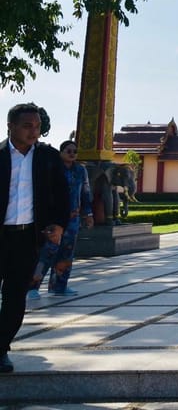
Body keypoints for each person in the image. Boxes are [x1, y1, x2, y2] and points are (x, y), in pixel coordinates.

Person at [1, 103, 70, 373]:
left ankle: (1, 348)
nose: (34, 132)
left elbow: (62, 195)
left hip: (27, 238)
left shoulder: (48, 158)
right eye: (27, 126)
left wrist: (59, 225)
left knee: (15, 296)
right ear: (11, 126)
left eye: (37, 126)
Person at [27, 140, 93, 300]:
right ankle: (32, 286)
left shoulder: (80, 170)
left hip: (73, 219)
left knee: (67, 253)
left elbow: (85, 192)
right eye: (68, 151)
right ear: (61, 152)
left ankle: (59, 286)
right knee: (47, 252)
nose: (72, 154)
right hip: (54, 219)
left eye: (74, 151)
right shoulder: (53, 169)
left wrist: (88, 214)